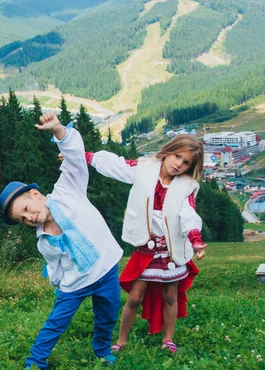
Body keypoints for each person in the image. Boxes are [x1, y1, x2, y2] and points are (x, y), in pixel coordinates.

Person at [0, 113, 124, 370]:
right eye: (22, 219)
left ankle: (102, 350)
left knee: (108, 314)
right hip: (74, 284)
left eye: (26, 209)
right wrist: (59, 287)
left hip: (105, 270)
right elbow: (55, 266)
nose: (29, 217)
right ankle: (34, 364)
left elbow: (76, 159)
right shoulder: (43, 240)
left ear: (35, 194)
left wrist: (58, 130)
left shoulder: (68, 190)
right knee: (55, 323)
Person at [86, 134, 207, 353]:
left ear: (192, 167)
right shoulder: (144, 169)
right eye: (177, 156)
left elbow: (188, 214)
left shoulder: (186, 187)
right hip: (147, 247)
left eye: (186, 162)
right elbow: (117, 166)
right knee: (134, 297)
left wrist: (195, 240)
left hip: (171, 251)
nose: (178, 164)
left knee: (171, 295)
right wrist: (84, 157)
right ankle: (121, 341)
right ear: (168, 151)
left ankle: (168, 339)